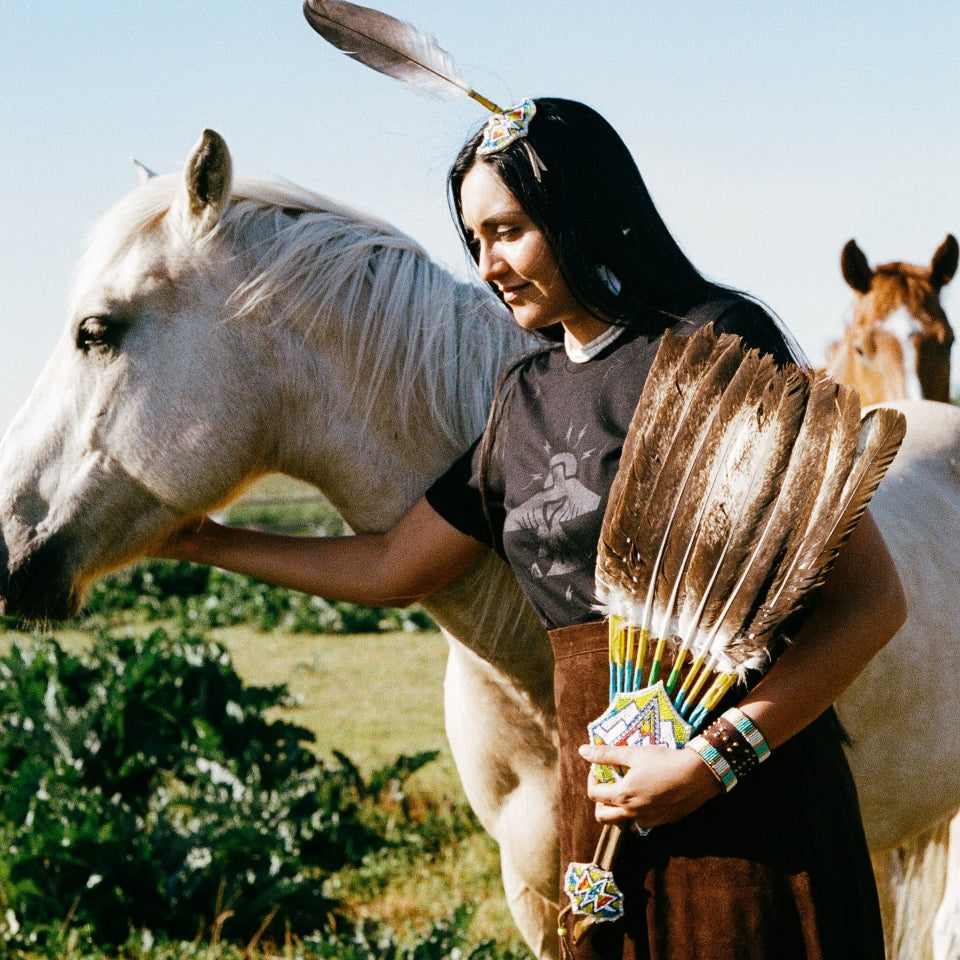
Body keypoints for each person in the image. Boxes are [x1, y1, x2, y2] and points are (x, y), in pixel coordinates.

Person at [158, 98, 905, 959]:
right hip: (605, 819)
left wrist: (709, 764)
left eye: (507, 231)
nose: (487, 265)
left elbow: (870, 602)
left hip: (752, 810)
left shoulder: (715, 347)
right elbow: (393, 566)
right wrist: (205, 543)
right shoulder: (525, 398)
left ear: (578, 213)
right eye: (475, 239)